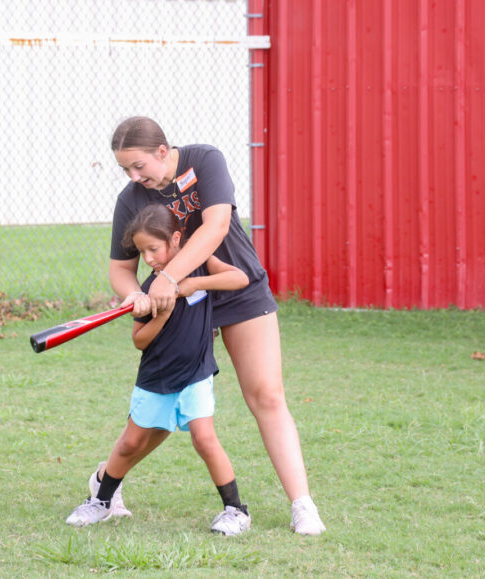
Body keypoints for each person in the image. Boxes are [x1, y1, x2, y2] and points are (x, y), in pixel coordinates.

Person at [101, 116, 326, 535]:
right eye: (125, 170)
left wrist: (170, 280)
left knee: (267, 395)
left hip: (233, 285)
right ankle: (105, 482)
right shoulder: (130, 200)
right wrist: (135, 294)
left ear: (163, 152)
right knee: (166, 412)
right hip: (179, 309)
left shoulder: (205, 160)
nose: (134, 177)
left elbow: (215, 225)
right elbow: (120, 268)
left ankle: (302, 505)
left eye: (139, 166)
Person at [66, 204, 252, 535]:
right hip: (156, 377)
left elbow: (239, 277)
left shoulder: (200, 265)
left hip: (196, 373)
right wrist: (160, 315)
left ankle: (236, 510)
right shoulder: (147, 291)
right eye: (142, 252)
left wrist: (195, 286)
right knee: (129, 444)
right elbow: (139, 341)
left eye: (153, 248)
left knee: (204, 438)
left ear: (176, 239)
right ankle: (102, 502)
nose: (149, 258)